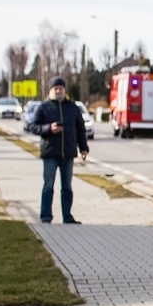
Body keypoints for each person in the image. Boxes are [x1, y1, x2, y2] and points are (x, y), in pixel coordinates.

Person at [25, 76, 88, 224]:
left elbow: (80, 129)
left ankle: (67, 216)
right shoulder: (43, 107)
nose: (58, 91)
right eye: (56, 89)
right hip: (50, 152)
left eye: (61, 88)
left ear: (65, 90)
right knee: (48, 185)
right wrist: (49, 128)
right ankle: (46, 216)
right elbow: (32, 126)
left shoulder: (73, 108)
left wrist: (83, 148)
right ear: (50, 90)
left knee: (67, 187)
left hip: (68, 153)